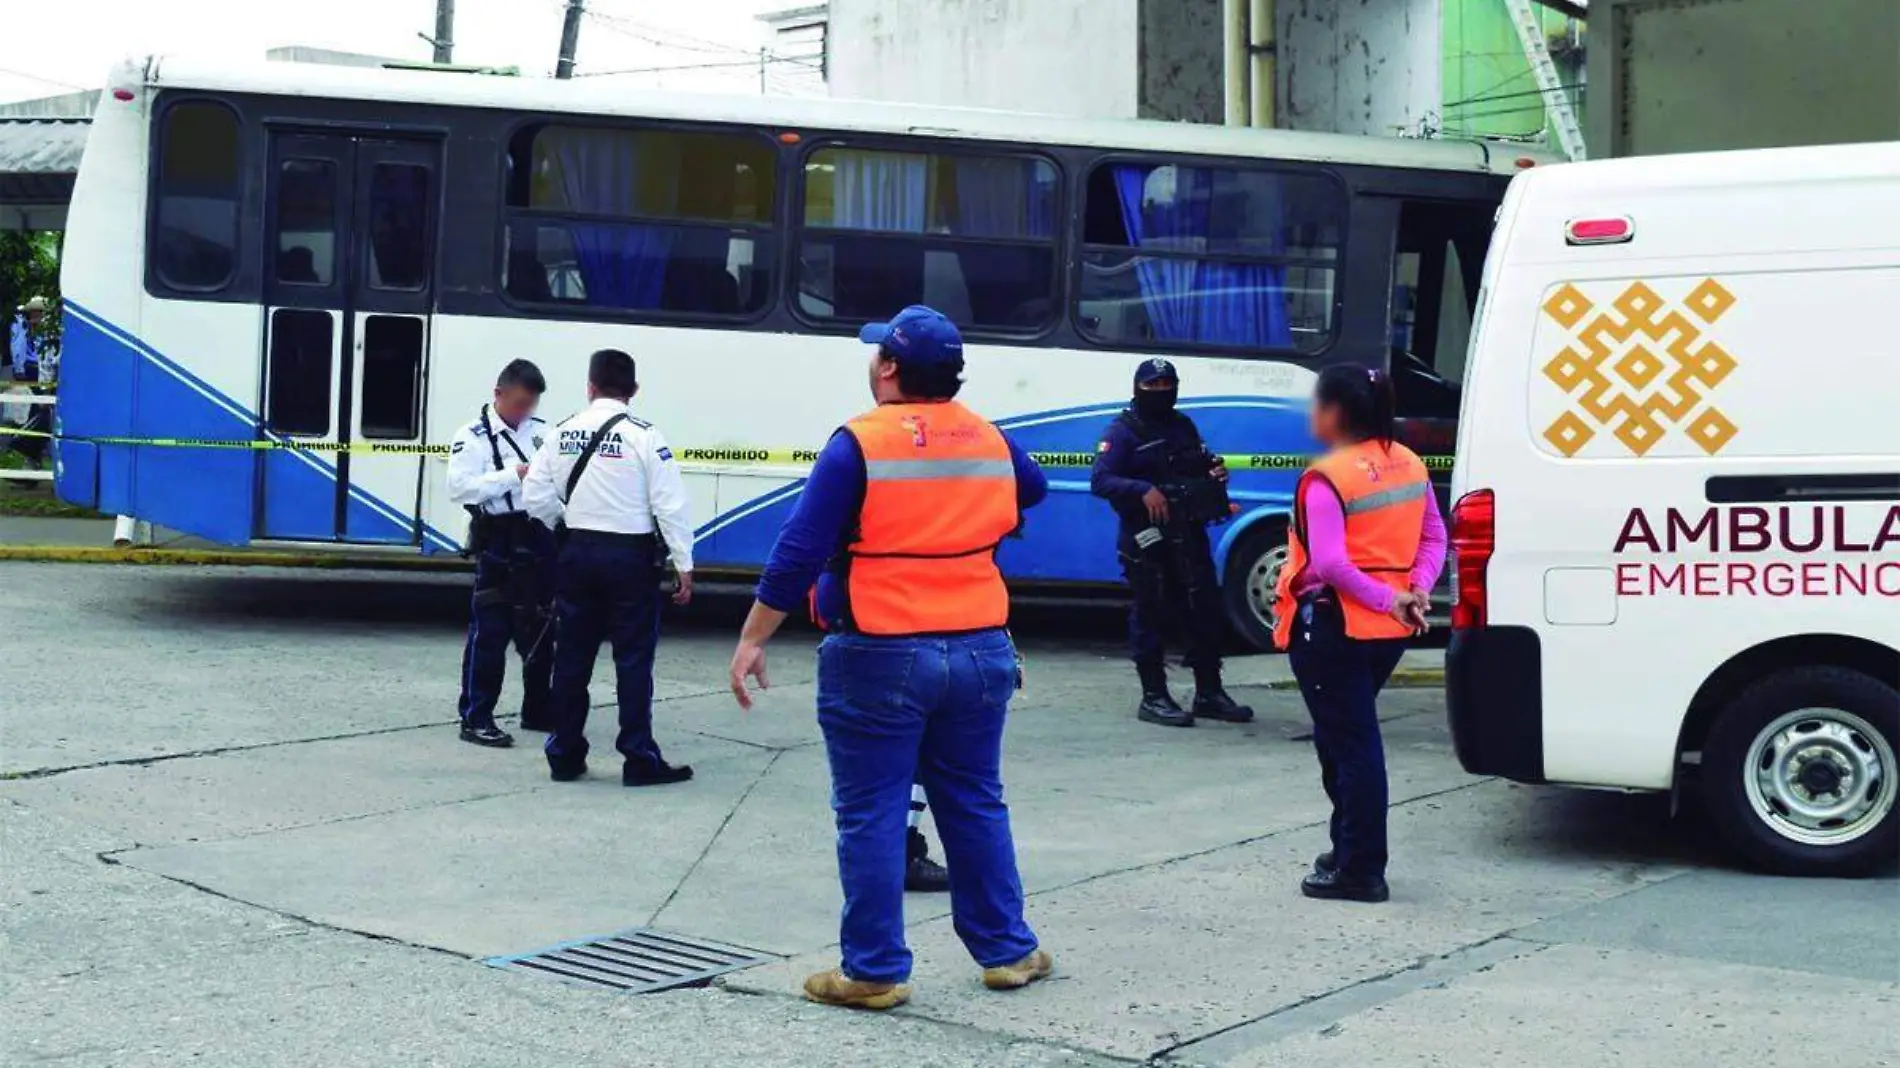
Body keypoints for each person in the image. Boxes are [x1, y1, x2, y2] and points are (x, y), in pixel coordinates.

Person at [727, 305, 1053, 1011]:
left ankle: (873, 969)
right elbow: (1032, 490)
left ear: (890, 368)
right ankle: (1009, 952)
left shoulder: (859, 443)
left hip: (881, 651)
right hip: (979, 647)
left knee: (872, 810)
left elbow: (798, 550)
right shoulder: (990, 438)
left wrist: (754, 636)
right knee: (973, 799)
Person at [1272, 365, 1445, 904]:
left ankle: (1361, 870)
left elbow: (1329, 565)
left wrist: (1387, 596)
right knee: (1345, 740)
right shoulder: (1408, 461)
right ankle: (1346, 849)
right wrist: (1413, 590)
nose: (1311, 414)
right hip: (1389, 628)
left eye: (1317, 403)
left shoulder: (1327, 478)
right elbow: (1435, 535)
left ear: (1336, 412)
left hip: (1336, 626)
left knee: (1352, 749)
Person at [523, 349, 696, 787]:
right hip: (630, 558)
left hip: (577, 553)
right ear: (633, 391)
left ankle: (564, 754)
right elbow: (669, 504)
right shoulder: (644, 435)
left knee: (572, 659)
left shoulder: (561, 431)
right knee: (633, 661)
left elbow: (535, 495)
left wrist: (564, 529)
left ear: (590, 386)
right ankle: (638, 758)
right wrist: (683, 563)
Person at [1090, 357, 1254, 728]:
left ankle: (1209, 692)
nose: (1162, 393)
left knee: (1204, 608)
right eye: (1154, 387)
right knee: (1151, 611)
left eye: (1168, 386)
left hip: (1188, 532)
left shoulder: (1182, 425)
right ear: (1138, 389)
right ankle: (1154, 697)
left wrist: (1214, 477)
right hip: (1145, 537)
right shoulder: (1122, 432)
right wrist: (1142, 489)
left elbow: (1196, 465)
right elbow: (1100, 481)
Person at [446, 359, 555, 748]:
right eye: (520, 402)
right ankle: (476, 717)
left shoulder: (544, 433)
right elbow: (460, 489)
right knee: (490, 631)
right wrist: (514, 475)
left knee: (542, 626)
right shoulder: (472, 436)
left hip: (539, 534)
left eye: (531, 404)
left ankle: (538, 709)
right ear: (499, 394)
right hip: (498, 538)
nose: (525, 411)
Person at [10, 297, 45, 383]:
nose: (36, 313)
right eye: (34, 310)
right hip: (26, 366)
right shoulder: (21, 326)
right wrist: (18, 368)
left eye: (39, 311)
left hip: (41, 367)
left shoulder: (46, 329)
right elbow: (16, 347)